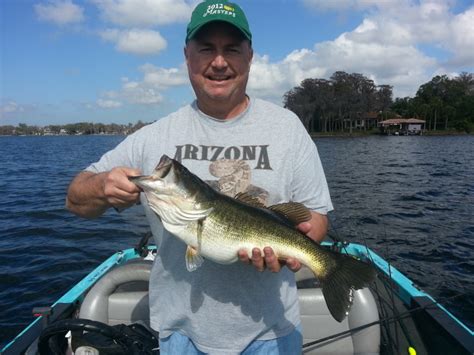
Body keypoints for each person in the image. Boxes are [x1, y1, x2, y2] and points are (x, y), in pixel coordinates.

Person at [66, 0, 333, 353]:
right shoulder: (153, 136)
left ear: (249, 56)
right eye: (206, 48)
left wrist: (290, 250)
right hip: (180, 335)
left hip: (273, 333)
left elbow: (315, 219)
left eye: (231, 49)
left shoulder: (288, 128)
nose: (219, 61)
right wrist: (101, 186)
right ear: (187, 56)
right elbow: (75, 199)